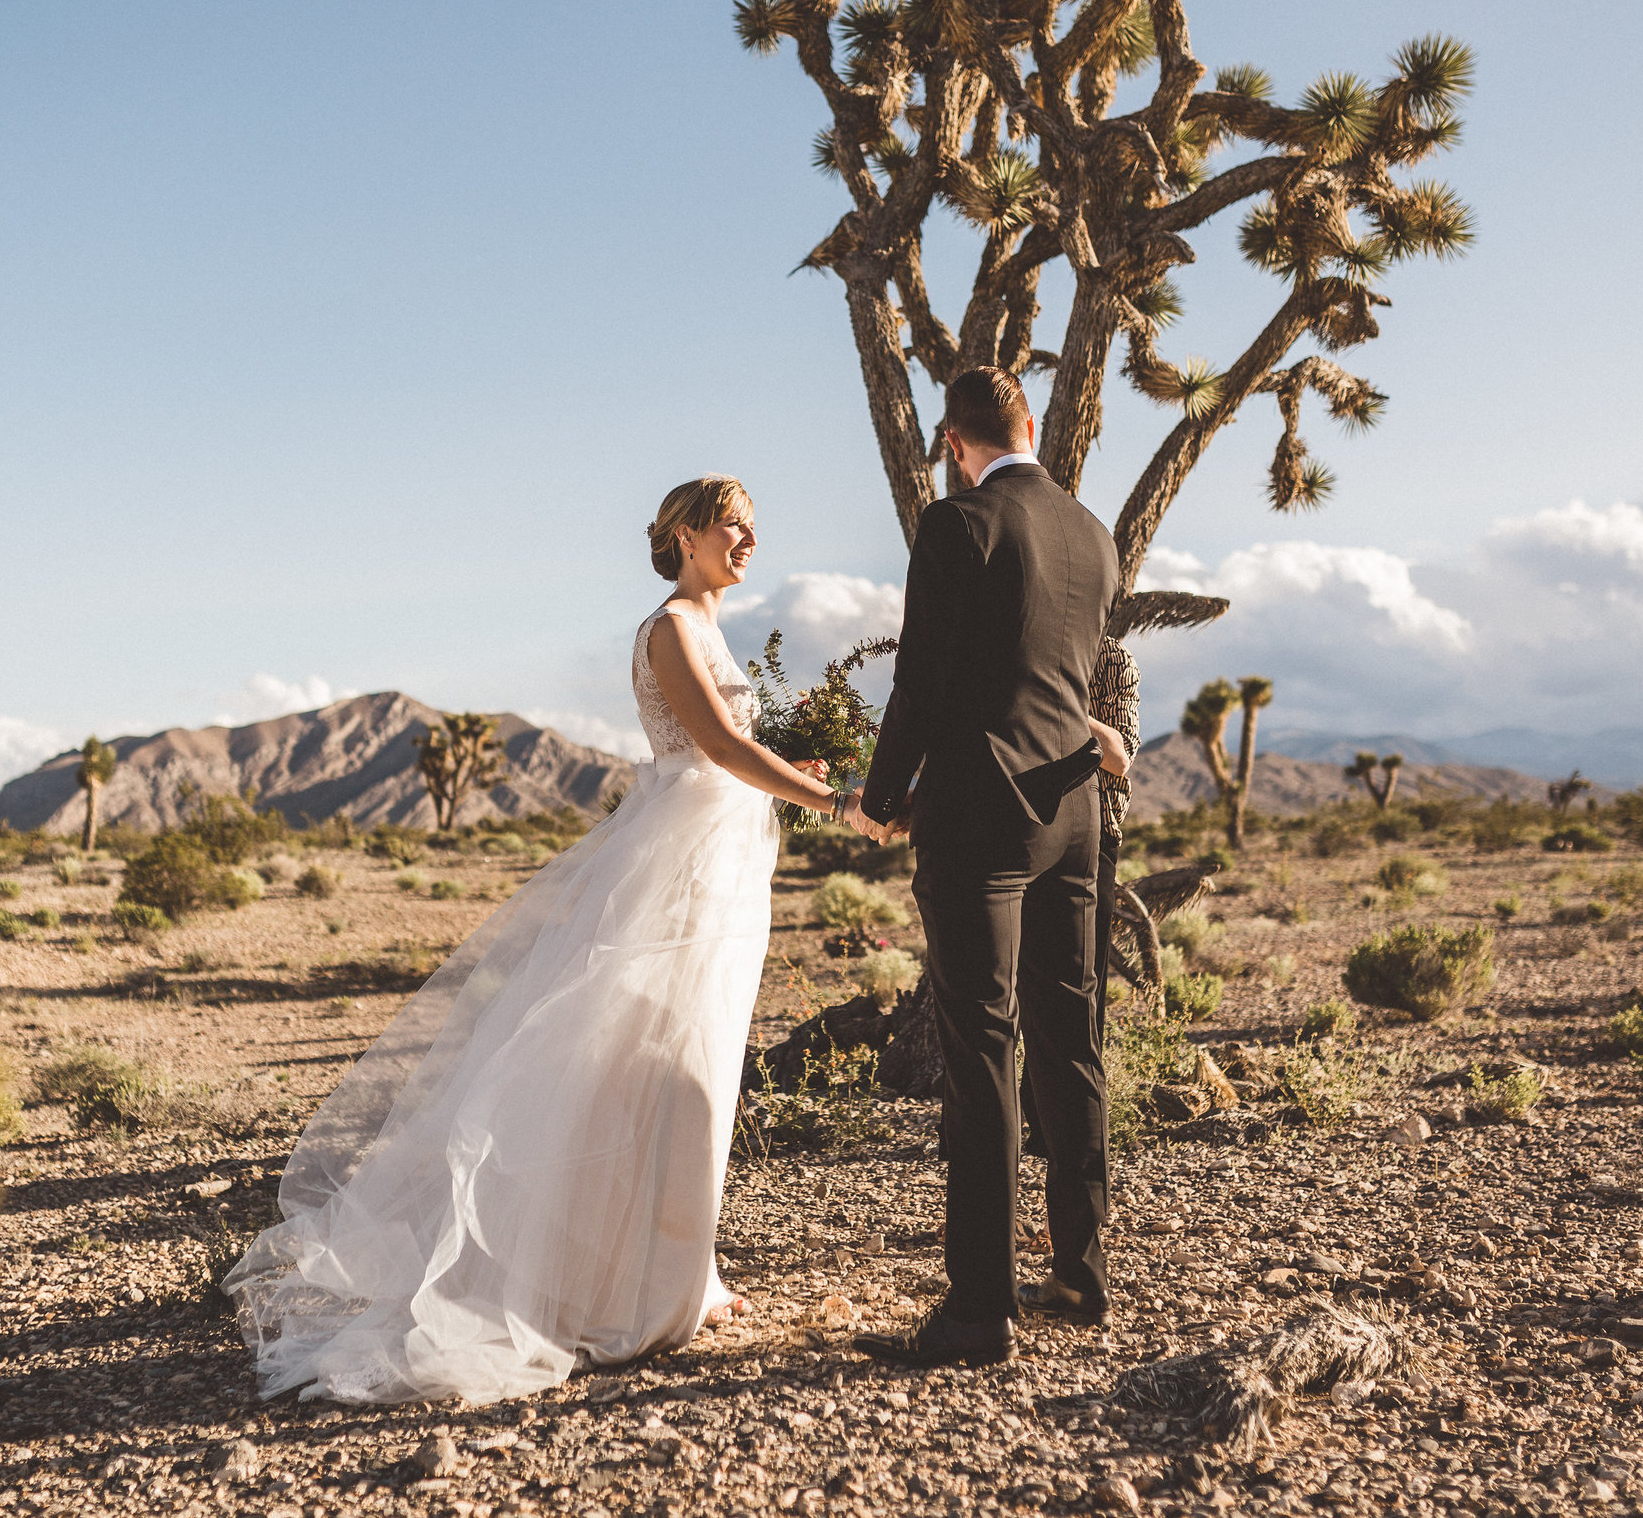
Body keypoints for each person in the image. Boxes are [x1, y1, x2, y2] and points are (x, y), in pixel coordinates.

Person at [224, 474, 851, 1405]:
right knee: (654, 1059)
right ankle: (624, 1282)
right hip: (677, 867)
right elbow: (715, 747)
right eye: (731, 523)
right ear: (683, 534)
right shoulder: (673, 626)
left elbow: (724, 751)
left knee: (698, 1066)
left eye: (755, 524)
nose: (747, 537)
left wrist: (787, 775)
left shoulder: (709, 629)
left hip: (718, 863)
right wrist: (831, 798)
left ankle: (684, 1269)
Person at [850, 366, 1127, 1369]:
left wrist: (880, 797)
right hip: (1075, 809)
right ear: (1025, 424)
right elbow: (1065, 677)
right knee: (1071, 1034)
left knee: (981, 1053)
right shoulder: (1091, 533)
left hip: (979, 814)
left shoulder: (954, 523)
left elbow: (919, 680)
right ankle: (1080, 1274)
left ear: (953, 442)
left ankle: (977, 1311)